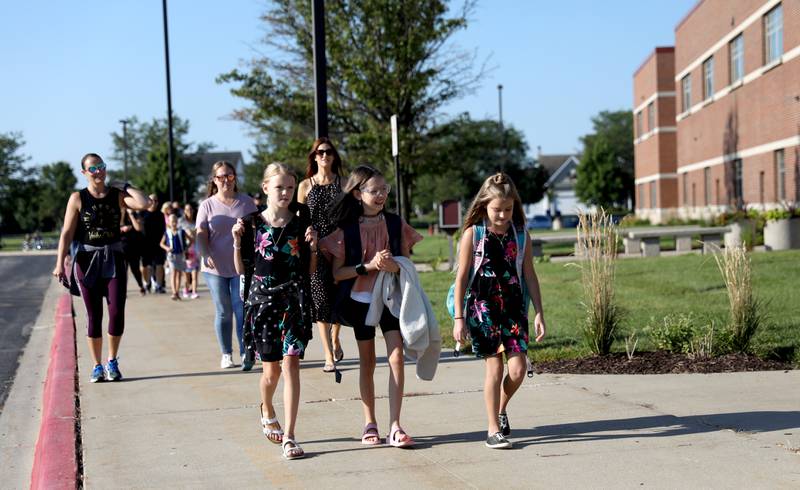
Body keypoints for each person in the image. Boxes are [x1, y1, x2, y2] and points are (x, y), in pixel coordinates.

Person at [321, 165, 422, 448]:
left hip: (391, 296)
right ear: (357, 193)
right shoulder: (346, 230)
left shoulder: (394, 223)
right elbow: (337, 273)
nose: (380, 195)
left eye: (384, 190)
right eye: (374, 190)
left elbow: (406, 263)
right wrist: (368, 266)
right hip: (361, 301)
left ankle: (395, 425)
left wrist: (394, 265)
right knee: (367, 362)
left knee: (396, 357)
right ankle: (370, 422)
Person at [452, 172, 547, 449]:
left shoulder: (521, 236)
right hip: (483, 309)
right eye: (497, 209)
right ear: (484, 206)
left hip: (515, 309)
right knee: (494, 369)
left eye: (508, 209)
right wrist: (459, 319)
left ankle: (501, 410)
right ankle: (493, 429)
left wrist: (539, 311)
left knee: (517, 371)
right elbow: (461, 278)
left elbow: (530, 275)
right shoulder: (474, 233)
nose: (503, 215)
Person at [233, 162, 318, 460]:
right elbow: (241, 269)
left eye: (291, 187)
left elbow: (310, 269)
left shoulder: (302, 218)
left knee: (291, 364)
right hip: (262, 303)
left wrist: (314, 246)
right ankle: (266, 407)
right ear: (265, 187)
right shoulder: (251, 222)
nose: (285, 192)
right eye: (279, 186)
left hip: (293, 301)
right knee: (271, 373)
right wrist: (235, 241)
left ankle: (291, 436)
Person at [52, 153, 151, 382]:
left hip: (114, 257)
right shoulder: (78, 198)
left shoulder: (117, 195)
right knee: (94, 314)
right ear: (84, 173)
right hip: (87, 260)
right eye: (93, 168)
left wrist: (125, 185)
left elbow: (144, 203)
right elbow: (66, 232)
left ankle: (112, 361)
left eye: (101, 167)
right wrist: (59, 263)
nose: (98, 171)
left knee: (116, 311)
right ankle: (97, 365)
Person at [195, 161, 257, 369]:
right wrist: (204, 252)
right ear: (214, 180)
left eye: (229, 176)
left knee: (241, 310)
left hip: (241, 266)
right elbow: (201, 232)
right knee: (223, 311)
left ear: (234, 178)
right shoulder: (207, 205)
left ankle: (246, 351)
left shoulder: (247, 203)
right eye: (221, 177)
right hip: (215, 267)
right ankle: (226, 353)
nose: (225, 181)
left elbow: (258, 231)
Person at [297, 137, 345, 373]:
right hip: (315, 247)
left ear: (334, 156)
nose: (324, 156)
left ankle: (336, 337)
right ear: (314, 157)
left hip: (339, 247)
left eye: (328, 152)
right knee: (320, 300)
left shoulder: (343, 183)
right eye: (320, 152)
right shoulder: (305, 186)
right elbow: (299, 218)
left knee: (338, 298)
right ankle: (328, 356)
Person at [160, 213, 192, 300]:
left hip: (180, 255)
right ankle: (174, 292)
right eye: (172, 221)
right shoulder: (167, 232)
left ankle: (177, 292)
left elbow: (191, 240)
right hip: (171, 256)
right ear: (169, 223)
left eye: (175, 221)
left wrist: (186, 248)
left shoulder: (181, 232)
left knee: (178, 274)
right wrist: (167, 248)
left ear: (177, 222)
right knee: (173, 273)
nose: (173, 223)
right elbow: (161, 244)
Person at [139, 195, 167, 293]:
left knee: (159, 265)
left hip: (158, 244)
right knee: (145, 267)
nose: (154, 202)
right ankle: (147, 284)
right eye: (151, 200)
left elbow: (164, 230)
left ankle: (159, 285)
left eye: (156, 200)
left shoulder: (160, 215)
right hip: (145, 245)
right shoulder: (142, 213)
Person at [121, 208, 147, 296]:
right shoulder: (120, 214)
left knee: (135, 269)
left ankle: (141, 286)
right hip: (122, 248)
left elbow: (138, 228)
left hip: (134, 248)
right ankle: (123, 290)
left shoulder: (135, 215)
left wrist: (131, 215)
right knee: (123, 270)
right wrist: (122, 229)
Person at [179, 203, 199, 299]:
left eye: (190, 209)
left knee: (195, 272)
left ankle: (194, 291)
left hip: (195, 249)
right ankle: (185, 289)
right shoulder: (181, 222)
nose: (189, 211)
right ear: (184, 211)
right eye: (187, 209)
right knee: (186, 273)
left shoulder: (196, 222)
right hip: (185, 250)